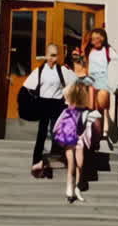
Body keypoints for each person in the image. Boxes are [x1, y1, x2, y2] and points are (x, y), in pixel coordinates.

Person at [24, 43, 78, 177]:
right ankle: (36, 163)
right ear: (47, 55)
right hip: (43, 103)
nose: (54, 58)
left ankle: (60, 158)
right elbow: (28, 86)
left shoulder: (62, 70)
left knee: (57, 133)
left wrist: (68, 98)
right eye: (52, 55)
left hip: (57, 104)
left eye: (56, 55)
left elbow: (76, 81)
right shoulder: (40, 71)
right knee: (41, 134)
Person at [53, 82, 91, 203]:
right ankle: (77, 188)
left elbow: (57, 124)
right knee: (80, 165)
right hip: (79, 139)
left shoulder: (67, 109)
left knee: (71, 163)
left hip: (68, 137)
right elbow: (86, 127)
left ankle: (69, 187)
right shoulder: (85, 111)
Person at [78, 28, 117, 141]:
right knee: (92, 107)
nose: (95, 41)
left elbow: (115, 66)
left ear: (103, 38)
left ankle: (104, 131)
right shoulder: (89, 51)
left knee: (102, 105)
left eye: (98, 38)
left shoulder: (108, 51)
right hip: (91, 81)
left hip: (104, 81)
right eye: (93, 39)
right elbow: (86, 66)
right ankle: (95, 132)